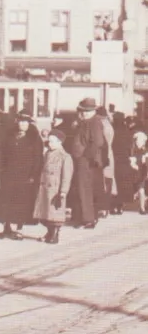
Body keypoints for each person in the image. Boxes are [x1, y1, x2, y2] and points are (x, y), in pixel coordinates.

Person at [0, 110, 42, 240]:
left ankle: (16, 229)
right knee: (4, 201)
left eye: (26, 122)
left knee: (20, 203)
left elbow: (38, 159)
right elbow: (1, 155)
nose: (23, 124)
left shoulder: (34, 138)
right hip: (8, 174)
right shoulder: (9, 136)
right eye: (21, 121)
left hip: (25, 176)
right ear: (17, 122)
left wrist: (33, 176)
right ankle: (1, 228)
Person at [67, 98, 107, 229]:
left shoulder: (94, 122)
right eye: (82, 111)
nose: (83, 113)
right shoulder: (86, 122)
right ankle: (83, 217)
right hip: (83, 161)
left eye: (86, 111)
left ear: (92, 111)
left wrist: (85, 157)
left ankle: (88, 219)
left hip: (86, 162)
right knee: (81, 189)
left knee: (85, 190)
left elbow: (98, 142)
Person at [33, 129, 74, 245]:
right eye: (49, 141)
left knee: (55, 214)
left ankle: (55, 234)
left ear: (59, 142)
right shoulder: (47, 154)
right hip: (45, 187)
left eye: (52, 141)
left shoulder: (65, 157)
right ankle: (49, 233)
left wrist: (63, 191)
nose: (49, 144)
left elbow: (67, 176)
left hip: (55, 190)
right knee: (45, 214)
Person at [96, 107, 117, 216]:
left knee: (103, 183)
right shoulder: (109, 125)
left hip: (103, 156)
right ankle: (106, 208)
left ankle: (103, 207)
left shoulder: (102, 126)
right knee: (108, 181)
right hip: (109, 154)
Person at [130, 130, 148, 214]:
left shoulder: (133, 151)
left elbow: (132, 162)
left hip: (138, 172)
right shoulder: (145, 152)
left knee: (140, 189)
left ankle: (142, 207)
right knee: (141, 189)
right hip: (142, 172)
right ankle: (142, 207)